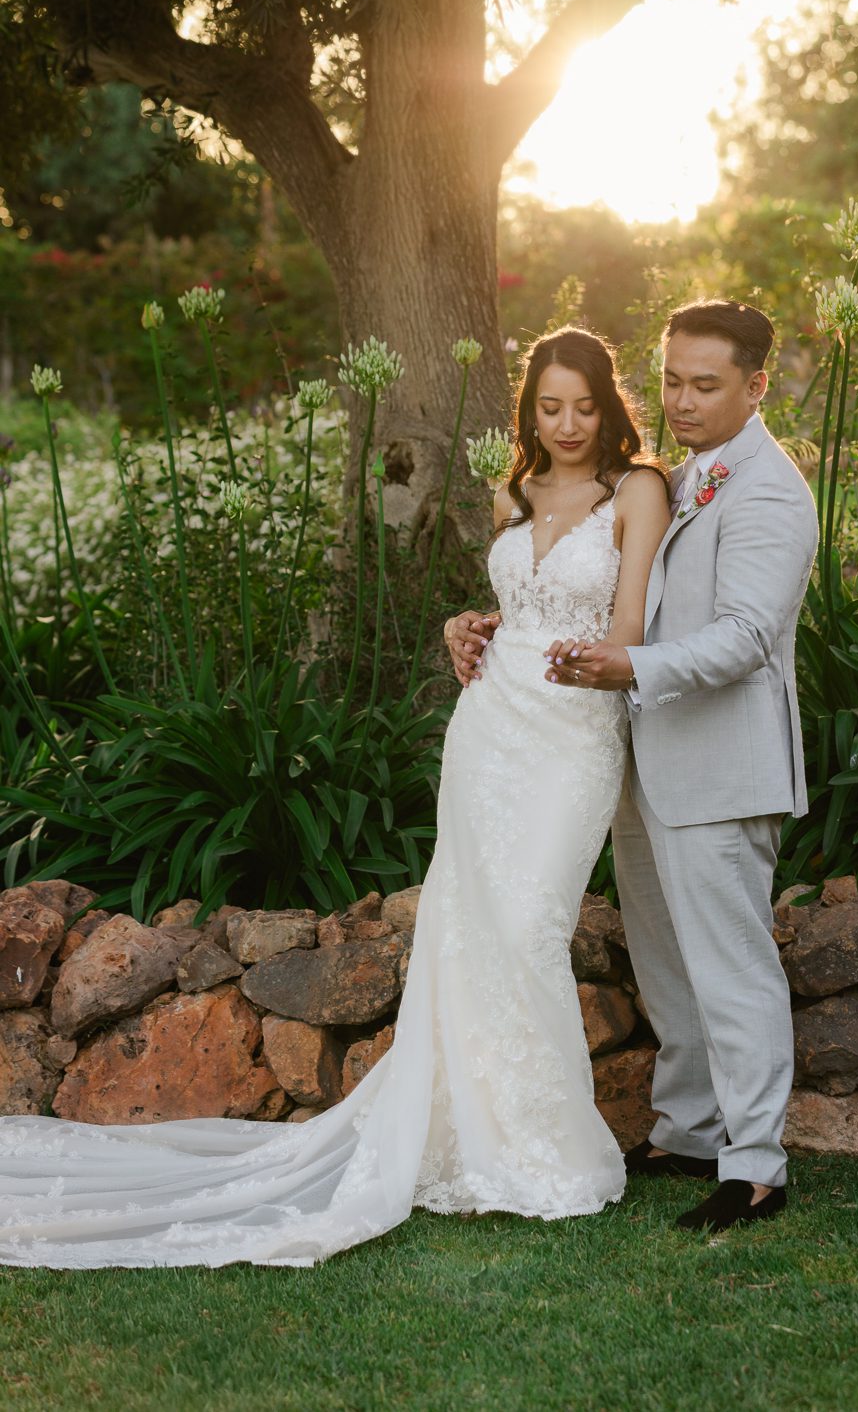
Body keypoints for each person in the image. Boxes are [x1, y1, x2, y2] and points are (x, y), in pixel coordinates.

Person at [0, 328, 670, 1269]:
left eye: (584, 406)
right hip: (488, 730)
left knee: (526, 929)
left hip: (575, 735)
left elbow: (630, 624)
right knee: (467, 928)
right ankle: (474, 1145)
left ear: (610, 405)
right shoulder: (510, 492)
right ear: (530, 412)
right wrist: (460, 625)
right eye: (548, 407)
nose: (566, 426)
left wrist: (589, 659)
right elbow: (514, 607)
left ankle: (543, 1150)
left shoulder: (639, 489)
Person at [450, 299, 817, 1233]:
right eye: (673, 383)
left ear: (755, 386)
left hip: (718, 766)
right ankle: (688, 1128)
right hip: (639, 752)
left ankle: (757, 1166)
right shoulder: (683, 476)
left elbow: (743, 639)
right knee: (666, 962)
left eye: (706, 385)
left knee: (730, 967)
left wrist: (627, 665)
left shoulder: (770, 492)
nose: (683, 402)